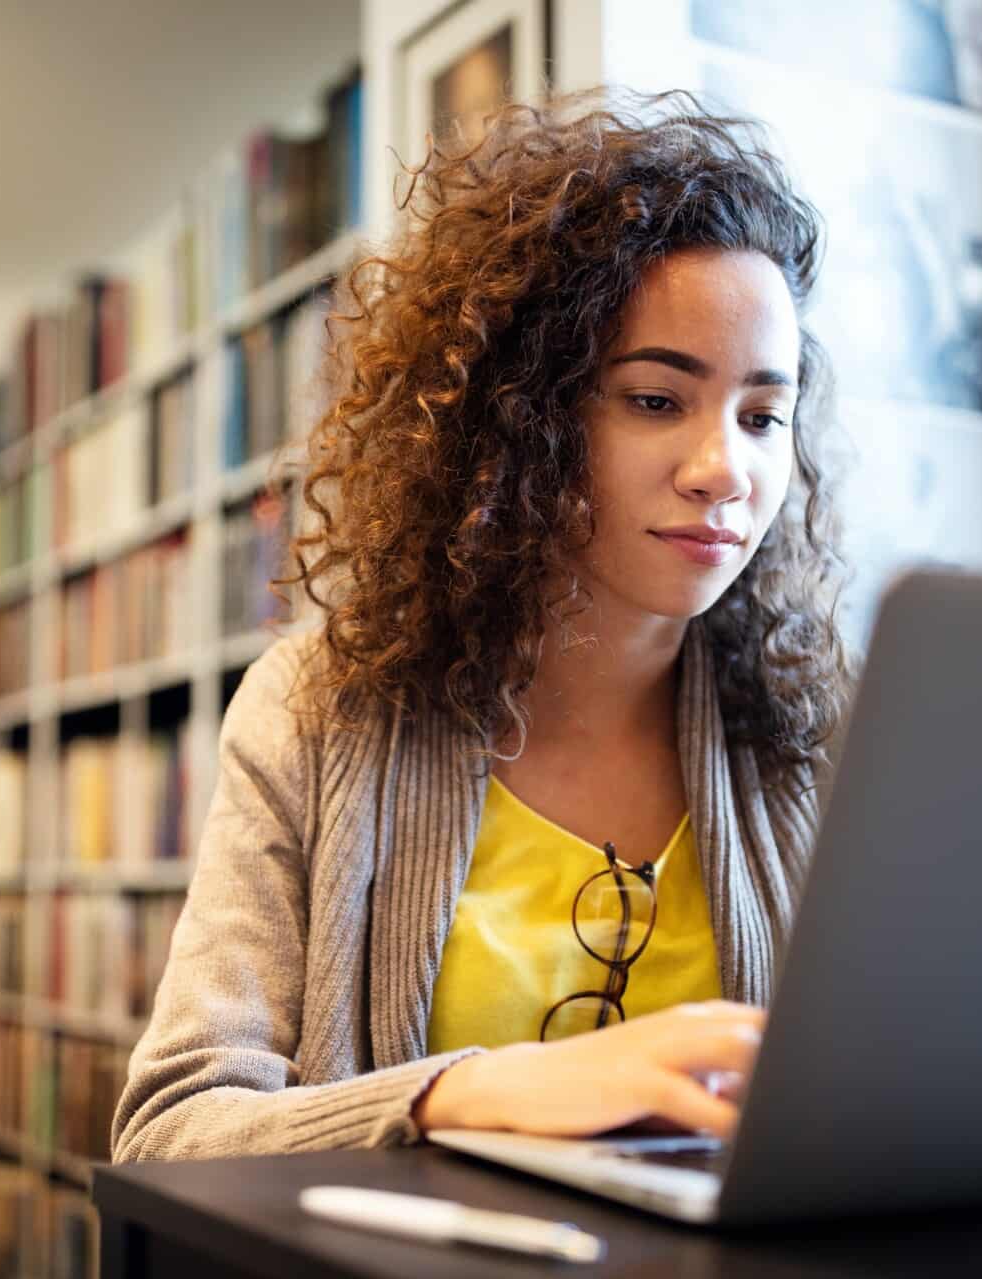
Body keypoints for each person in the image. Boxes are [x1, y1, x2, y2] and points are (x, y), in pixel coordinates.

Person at [111, 91, 852, 1162]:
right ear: (522, 415)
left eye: (760, 417)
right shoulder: (316, 709)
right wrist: (472, 1095)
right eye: (654, 400)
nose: (722, 472)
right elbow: (168, 1129)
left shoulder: (823, 729)